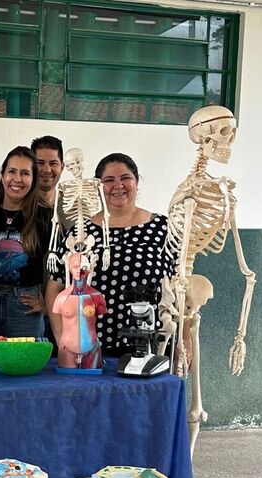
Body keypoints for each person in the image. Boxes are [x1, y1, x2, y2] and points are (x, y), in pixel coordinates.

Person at [45, 152, 175, 358]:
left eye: (125, 178)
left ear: (136, 181)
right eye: (109, 180)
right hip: (91, 346)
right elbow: (55, 287)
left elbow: (180, 285)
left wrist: (183, 337)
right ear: (99, 186)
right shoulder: (81, 235)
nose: (118, 186)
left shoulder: (162, 228)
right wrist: (64, 338)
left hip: (152, 344)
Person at [0, 146, 53, 343]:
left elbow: (60, 265)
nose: (17, 179)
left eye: (25, 173)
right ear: (2, 175)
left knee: (25, 368)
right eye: (12, 171)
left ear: (33, 180)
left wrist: (48, 303)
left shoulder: (46, 217)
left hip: (25, 308)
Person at [30, 135, 64, 209]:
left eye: (53, 163)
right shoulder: (18, 204)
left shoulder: (72, 206)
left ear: (62, 167)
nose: (47, 170)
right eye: (40, 163)